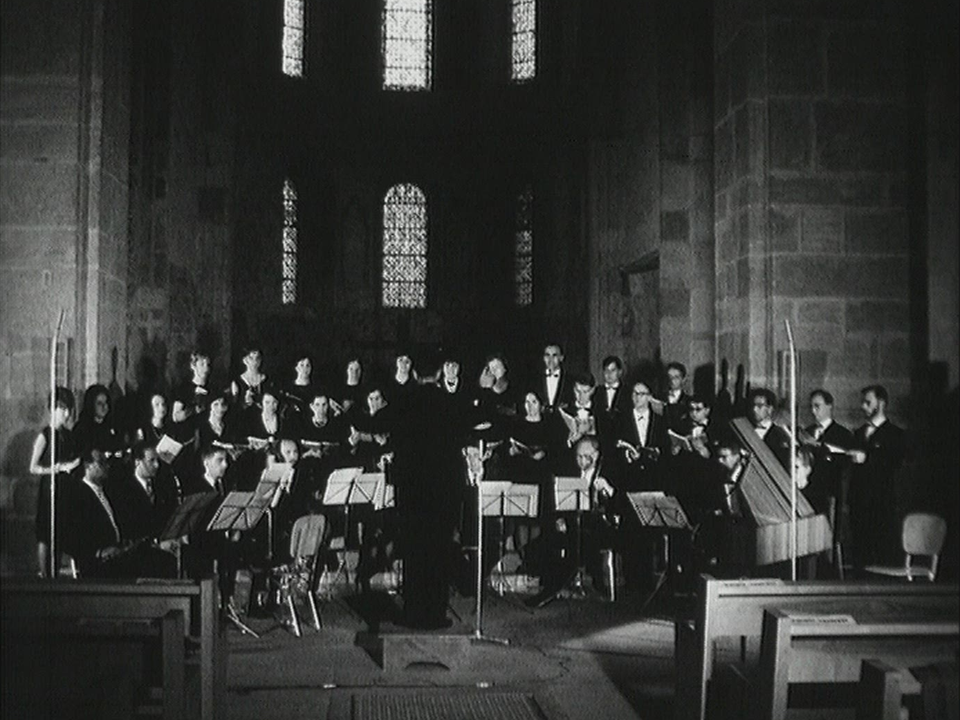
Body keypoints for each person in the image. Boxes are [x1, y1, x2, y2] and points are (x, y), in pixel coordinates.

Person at [69, 449, 176, 578]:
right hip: (99, 561)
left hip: (118, 552)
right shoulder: (79, 495)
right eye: (102, 463)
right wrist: (98, 552)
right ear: (88, 466)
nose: (107, 466)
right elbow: (75, 534)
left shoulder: (109, 492)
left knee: (165, 560)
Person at [848, 384, 906, 567]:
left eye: (867, 402)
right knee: (859, 553)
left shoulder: (896, 435)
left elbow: (894, 463)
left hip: (882, 503)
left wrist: (868, 458)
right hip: (858, 503)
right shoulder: (857, 433)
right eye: (863, 403)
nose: (863, 407)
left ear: (881, 403)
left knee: (883, 553)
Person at [29, 386, 81, 577]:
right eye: (62, 409)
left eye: (68, 409)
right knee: (45, 533)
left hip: (64, 489)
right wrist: (56, 469)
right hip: (49, 488)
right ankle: (45, 575)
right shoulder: (45, 435)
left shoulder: (68, 435)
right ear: (52, 409)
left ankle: (55, 574)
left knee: (59, 533)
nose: (66, 414)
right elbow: (33, 467)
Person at [109, 442, 180, 544]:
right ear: (137, 462)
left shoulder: (162, 486)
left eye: (157, 460)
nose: (157, 465)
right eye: (151, 461)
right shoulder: (124, 491)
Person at [802, 389, 853, 518]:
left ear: (829, 406)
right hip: (809, 492)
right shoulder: (807, 431)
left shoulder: (843, 434)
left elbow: (844, 464)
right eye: (811, 407)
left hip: (830, 492)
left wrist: (821, 448)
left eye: (817, 406)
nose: (813, 411)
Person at [748, 388, 791, 470]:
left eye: (759, 406)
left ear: (770, 409)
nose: (754, 409)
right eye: (753, 405)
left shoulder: (780, 436)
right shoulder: (747, 429)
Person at [75, 383, 122, 457]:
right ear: (91, 405)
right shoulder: (82, 429)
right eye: (99, 403)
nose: (104, 407)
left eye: (106, 402)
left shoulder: (112, 426)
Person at [231, 345, 269, 410]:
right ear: (245, 360)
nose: (255, 362)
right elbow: (234, 406)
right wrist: (245, 403)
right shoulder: (237, 382)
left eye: (258, 358)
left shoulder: (267, 380)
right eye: (251, 358)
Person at [663, 362, 692, 431]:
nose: (672, 380)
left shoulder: (689, 401)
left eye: (676, 377)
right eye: (669, 377)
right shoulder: (659, 398)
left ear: (683, 379)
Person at [539, 343, 567, 413]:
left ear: (561, 358)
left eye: (554, 355)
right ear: (543, 358)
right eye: (547, 355)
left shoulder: (569, 379)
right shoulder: (535, 379)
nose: (550, 359)